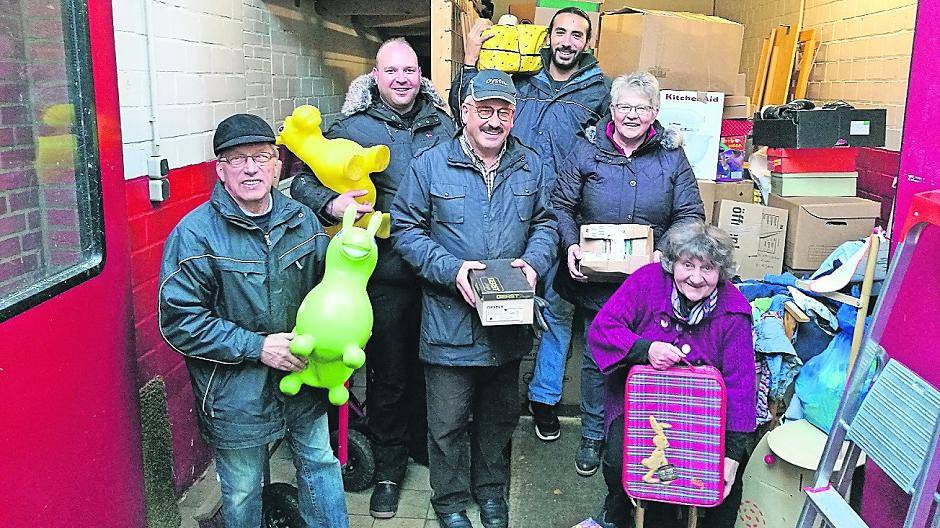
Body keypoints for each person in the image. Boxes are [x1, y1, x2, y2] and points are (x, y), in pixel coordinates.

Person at [289, 37, 455, 519]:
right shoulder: (350, 128)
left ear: (421, 74)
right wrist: (331, 202)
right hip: (383, 272)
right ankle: (388, 468)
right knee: (389, 374)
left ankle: (425, 448)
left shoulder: (443, 125)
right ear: (375, 76)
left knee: (437, 368)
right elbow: (300, 181)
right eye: (391, 71)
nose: (402, 79)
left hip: (439, 269)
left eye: (410, 70)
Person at [158, 114, 347, 528]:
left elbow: (331, 294)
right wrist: (258, 347)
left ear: (278, 165)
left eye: (261, 157)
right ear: (221, 170)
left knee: (320, 465)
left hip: (304, 378)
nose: (251, 168)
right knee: (243, 488)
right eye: (237, 159)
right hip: (233, 393)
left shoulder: (304, 222)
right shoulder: (194, 236)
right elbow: (180, 322)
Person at [391, 69, 557, 528]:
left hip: (507, 323)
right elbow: (405, 229)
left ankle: (491, 495)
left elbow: (546, 224)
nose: (493, 120)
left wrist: (534, 263)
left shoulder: (531, 165)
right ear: (465, 113)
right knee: (446, 424)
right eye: (484, 110)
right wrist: (453, 270)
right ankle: (448, 503)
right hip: (449, 321)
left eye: (503, 111)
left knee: (498, 421)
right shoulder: (430, 164)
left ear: (514, 116)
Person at [455, 5, 611, 452]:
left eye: (576, 35)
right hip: (509, 199)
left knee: (557, 310)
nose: (566, 41)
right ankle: (486, 401)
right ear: (548, 36)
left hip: (561, 211)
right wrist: (470, 58)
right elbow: (466, 106)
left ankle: (543, 399)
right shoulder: (521, 76)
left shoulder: (598, 89)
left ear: (587, 42)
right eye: (560, 32)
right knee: (492, 295)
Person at [552, 71, 706, 477]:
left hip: (650, 283)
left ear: (655, 113)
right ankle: (592, 433)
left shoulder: (671, 157)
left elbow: (690, 214)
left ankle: (637, 432)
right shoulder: (586, 150)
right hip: (595, 281)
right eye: (624, 107)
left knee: (645, 355)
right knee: (596, 355)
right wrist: (570, 244)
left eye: (641, 108)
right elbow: (561, 205)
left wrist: (662, 252)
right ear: (612, 110)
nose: (632, 115)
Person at [587, 221, 757, 528]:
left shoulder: (733, 311)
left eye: (707, 268)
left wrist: (731, 456)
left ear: (720, 273)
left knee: (724, 481)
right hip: (641, 405)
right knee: (618, 463)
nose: (695, 277)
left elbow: (741, 384)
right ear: (672, 263)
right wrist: (645, 349)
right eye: (687, 264)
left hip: (703, 414)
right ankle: (620, 513)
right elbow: (603, 329)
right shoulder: (647, 282)